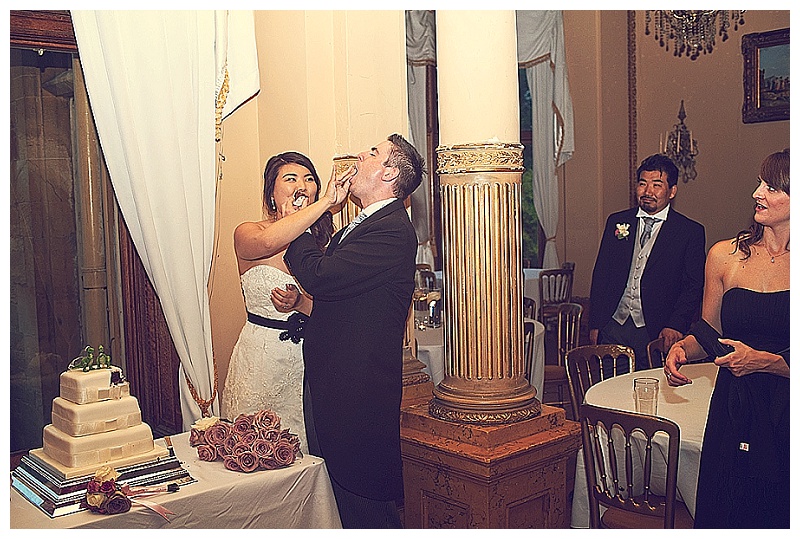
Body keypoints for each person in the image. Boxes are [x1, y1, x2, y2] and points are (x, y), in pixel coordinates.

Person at [284, 133, 423, 528]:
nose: (362, 155)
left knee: (365, 507)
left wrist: (294, 228)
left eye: (373, 153)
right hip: (335, 384)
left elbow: (322, 277)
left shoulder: (393, 230)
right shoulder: (362, 224)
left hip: (356, 393)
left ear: (389, 172)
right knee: (341, 502)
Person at [665, 149, 789, 528]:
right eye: (759, 183)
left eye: (770, 187)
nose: (757, 193)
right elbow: (709, 331)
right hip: (733, 408)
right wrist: (683, 348)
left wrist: (771, 362)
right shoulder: (725, 255)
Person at [221, 151, 348, 455]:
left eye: (309, 179)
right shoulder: (249, 232)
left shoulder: (322, 246)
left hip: (310, 358)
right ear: (272, 192)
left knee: (309, 444)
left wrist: (300, 302)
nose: (301, 185)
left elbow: (334, 309)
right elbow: (267, 245)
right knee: (254, 446)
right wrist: (323, 205)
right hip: (260, 359)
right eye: (290, 179)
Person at [588, 153, 706, 370]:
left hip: (656, 330)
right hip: (613, 325)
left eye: (657, 185)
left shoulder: (689, 232)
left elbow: (693, 286)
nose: (647, 191)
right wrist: (596, 323)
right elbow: (601, 274)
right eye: (642, 183)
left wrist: (676, 325)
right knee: (609, 391)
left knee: (652, 393)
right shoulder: (617, 221)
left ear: (672, 191)